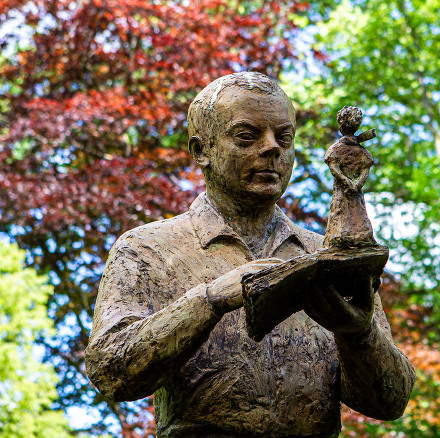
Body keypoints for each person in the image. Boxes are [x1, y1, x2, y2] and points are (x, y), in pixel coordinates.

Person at [85, 72, 415, 438]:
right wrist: (211, 300)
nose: (272, 148)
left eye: (284, 137)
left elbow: (390, 402)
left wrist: (358, 333)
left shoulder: (327, 258)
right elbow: (110, 371)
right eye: (247, 136)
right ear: (201, 150)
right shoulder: (147, 249)